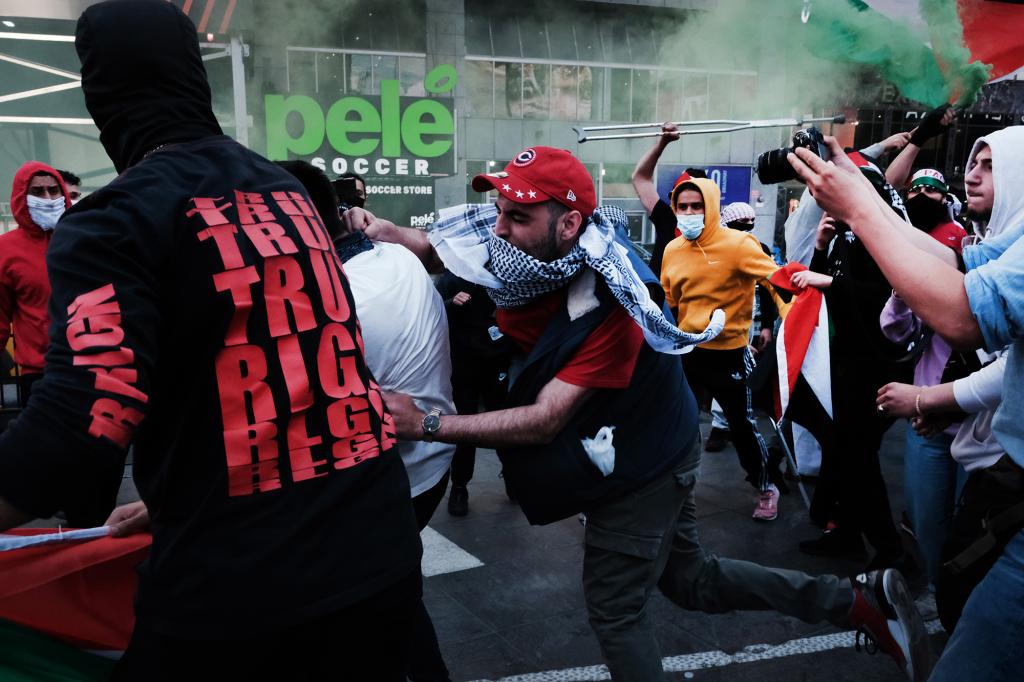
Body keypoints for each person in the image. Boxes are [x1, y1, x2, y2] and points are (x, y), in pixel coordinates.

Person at [350, 145, 932, 682]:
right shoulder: (517, 239)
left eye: (517, 217)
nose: (498, 229)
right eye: (498, 211)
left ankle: (855, 602)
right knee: (691, 578)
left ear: (569, 224)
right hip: (641, 435)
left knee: (616, 611)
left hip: (642, 460)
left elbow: (544, 420)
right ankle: (858, 602)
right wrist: (371, 229)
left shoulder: (612, 300)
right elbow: (429, 244)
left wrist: (423, 423)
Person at [0, 2, 422, 679]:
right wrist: (181, 496)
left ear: (101, 94)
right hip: (378, 550)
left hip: (240, 589)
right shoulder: (286, 191)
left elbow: (80, 424)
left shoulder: (114, 220)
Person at [788, 124, 1024, 682]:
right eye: (973, 161)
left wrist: (862, 212)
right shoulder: (1006, 245)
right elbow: (958, 267)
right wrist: (861, 195)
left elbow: (964, 315)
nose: (973, 174)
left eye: (992, 165)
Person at [278, 159, 455, 681]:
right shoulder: (395, 259)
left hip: (384, 482)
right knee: (396, 599)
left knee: (367, 612)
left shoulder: (334, 304)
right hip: (426, 470)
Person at [634, 127, 787, 520]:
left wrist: (792, 314)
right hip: (687, 350)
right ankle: (666, 483)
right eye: (682, 206)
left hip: (730, 354)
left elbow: (777, 282)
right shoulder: (672, 248)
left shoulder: (738, 245)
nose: (687, 213)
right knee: (669, 417)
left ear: (712, 206)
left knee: (741, 424)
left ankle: (766, 486)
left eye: (695, 206)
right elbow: (669, 300)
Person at [794, 158, 914, 573]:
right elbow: (818, 291)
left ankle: (889, 549)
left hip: (875, 368)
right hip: (842, 365)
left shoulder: (884, 234)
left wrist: (829, 281)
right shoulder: (846, 235)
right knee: (843, 455)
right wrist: (822, 249)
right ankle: (845, 533)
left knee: (858, 459)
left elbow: (886, 295)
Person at [434, 271, 511, 516]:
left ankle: (513, 477)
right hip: (462, 366)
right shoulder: (448, 279)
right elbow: (432, 316)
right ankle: (459, 487)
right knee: (464, 429)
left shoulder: (499, 274)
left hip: (496, 362)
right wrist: (450, 304)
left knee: (503, 426)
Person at [0, 162, 71, 406]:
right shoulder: (6, 250)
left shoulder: (83, 239)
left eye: (54, 190)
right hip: (39, 373)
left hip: (93, 365)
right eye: (38, 192)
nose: (49, 198)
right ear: (21, 196)